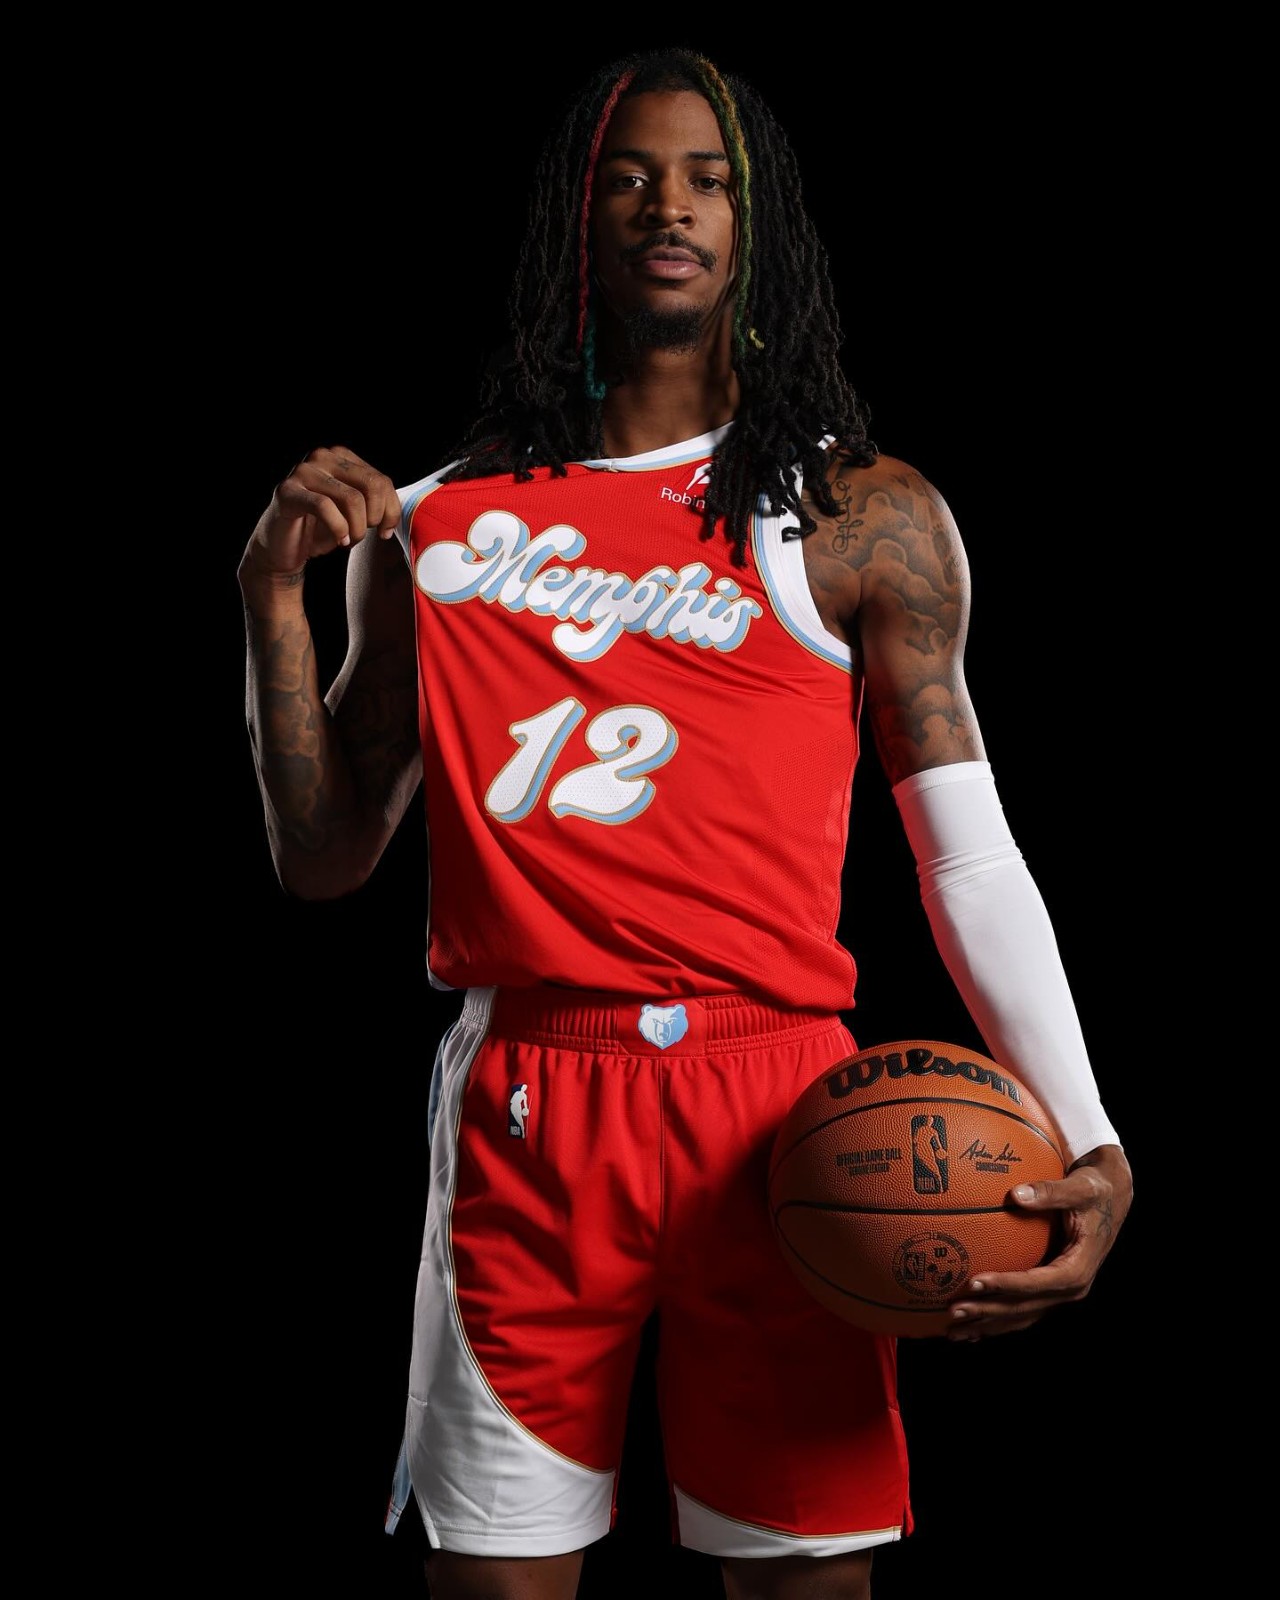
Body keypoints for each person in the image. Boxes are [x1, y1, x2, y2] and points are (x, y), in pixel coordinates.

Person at [237, 45, 1133, 1600]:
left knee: (808, 1585)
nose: (672, 207)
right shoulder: (438, 525)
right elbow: (322, 858)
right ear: (573, 221)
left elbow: (965, 853)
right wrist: (269, 599)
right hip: (535, 1099)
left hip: (780, 1104)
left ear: (756, 226)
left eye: (711, 180)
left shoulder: (860, 517)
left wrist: (1092, 1128)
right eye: (633, 177)